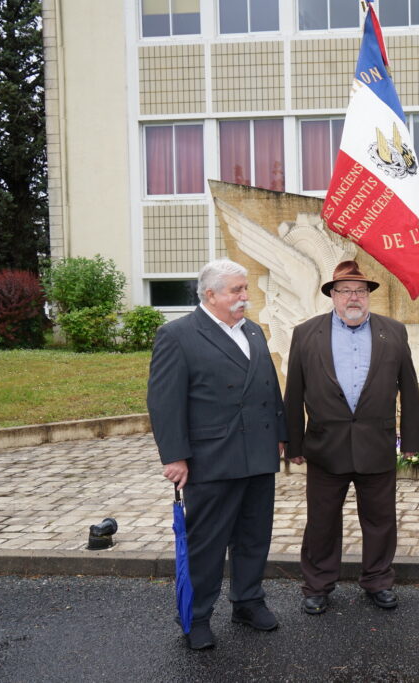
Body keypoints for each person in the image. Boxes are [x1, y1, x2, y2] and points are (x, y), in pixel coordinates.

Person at [148, 259, 287, 650]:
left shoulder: (253, 331)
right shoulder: (178, 335)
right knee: (207, 542)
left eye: (245, 289)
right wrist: (174, 457)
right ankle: (196, 616)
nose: (245, 297)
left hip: (258, 453)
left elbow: (267, 386)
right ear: (210, 294)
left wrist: (280, 433)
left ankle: (247, 600)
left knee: (253, 535)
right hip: (212, 457)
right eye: (237, 290)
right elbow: (164, 401)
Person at [284, 260, 419, 615]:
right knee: (321, 522)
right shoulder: (306, 333)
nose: (353, 298)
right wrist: (293, 443)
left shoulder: (393, 331)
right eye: (345, 291)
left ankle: (378, 580)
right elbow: (294, 391)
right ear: (332, 295)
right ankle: (317, 585)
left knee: (380, 520)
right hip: (325, 448)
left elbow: (409, 387)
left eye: (360, 291)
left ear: (368, 296)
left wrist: (410, 442)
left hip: (375, 445)